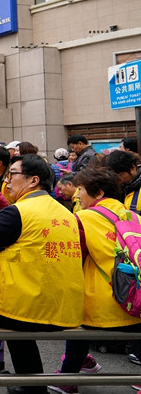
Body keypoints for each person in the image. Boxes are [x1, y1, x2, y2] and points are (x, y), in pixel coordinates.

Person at [0, 154, 85, 394]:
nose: (7, 181)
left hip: (21, 306)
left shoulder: (19, 213)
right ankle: (34, 390)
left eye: (13, 174)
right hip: (60, 308)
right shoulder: (66, 214)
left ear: (33, 180)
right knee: (20, 336)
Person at [48, 167, 138, 394]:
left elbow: (73, 259)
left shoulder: (83, 218)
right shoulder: (132, 215)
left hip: (103, 301)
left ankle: (68, 378)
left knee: (76, 328)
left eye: (80, 190)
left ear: (97, 193)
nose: (77, 195)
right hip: (134, 297)